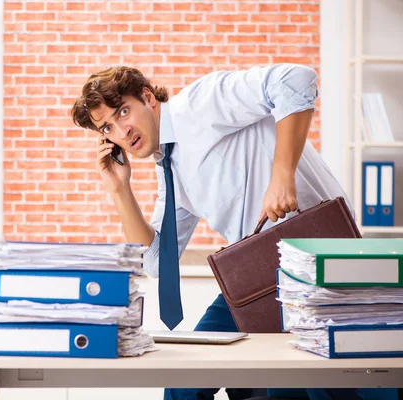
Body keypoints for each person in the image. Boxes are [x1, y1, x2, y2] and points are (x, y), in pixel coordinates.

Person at [70, 64, 397, 400]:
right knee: (182, 384)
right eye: (107, 127)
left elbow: (296, 80)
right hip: (258, 279)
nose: (122, 130)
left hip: (316, 264)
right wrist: (120, 189)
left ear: (148, 97)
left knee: (310, 384)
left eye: (123, 112)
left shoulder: (198, 104)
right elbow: (157, 261)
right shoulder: (169, 169)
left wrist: (281, 175)